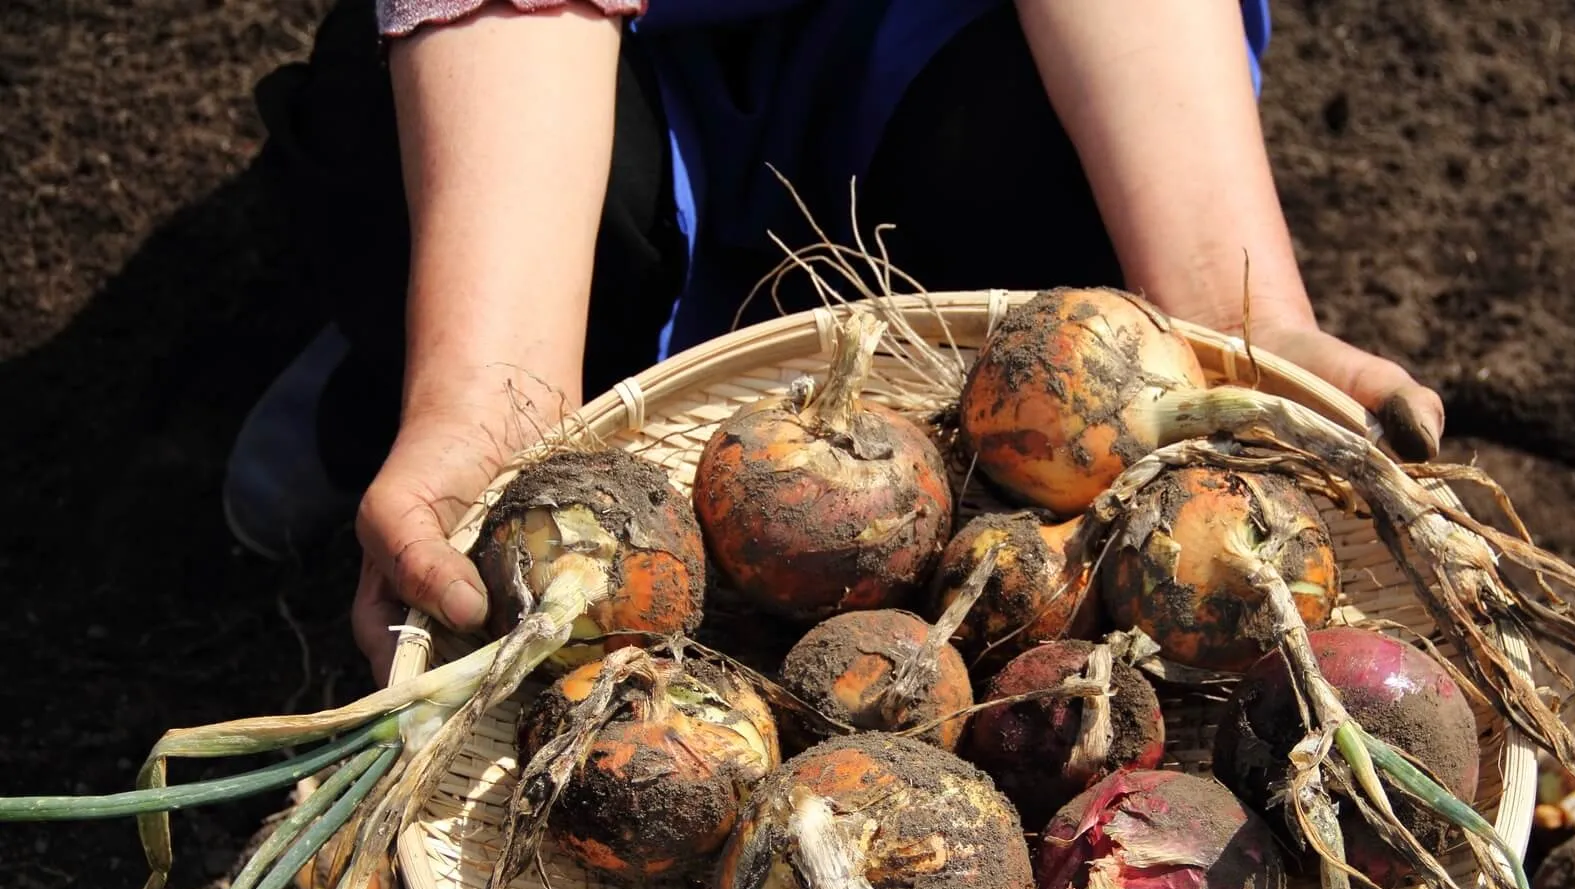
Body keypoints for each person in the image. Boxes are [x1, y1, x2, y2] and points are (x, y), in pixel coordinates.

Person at [229, 0, 1446, 684]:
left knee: (1059, 269)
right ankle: (388, 376)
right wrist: (481, 389)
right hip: (573, 56)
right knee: (444, 214)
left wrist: (1229, 319)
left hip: (927, 34)